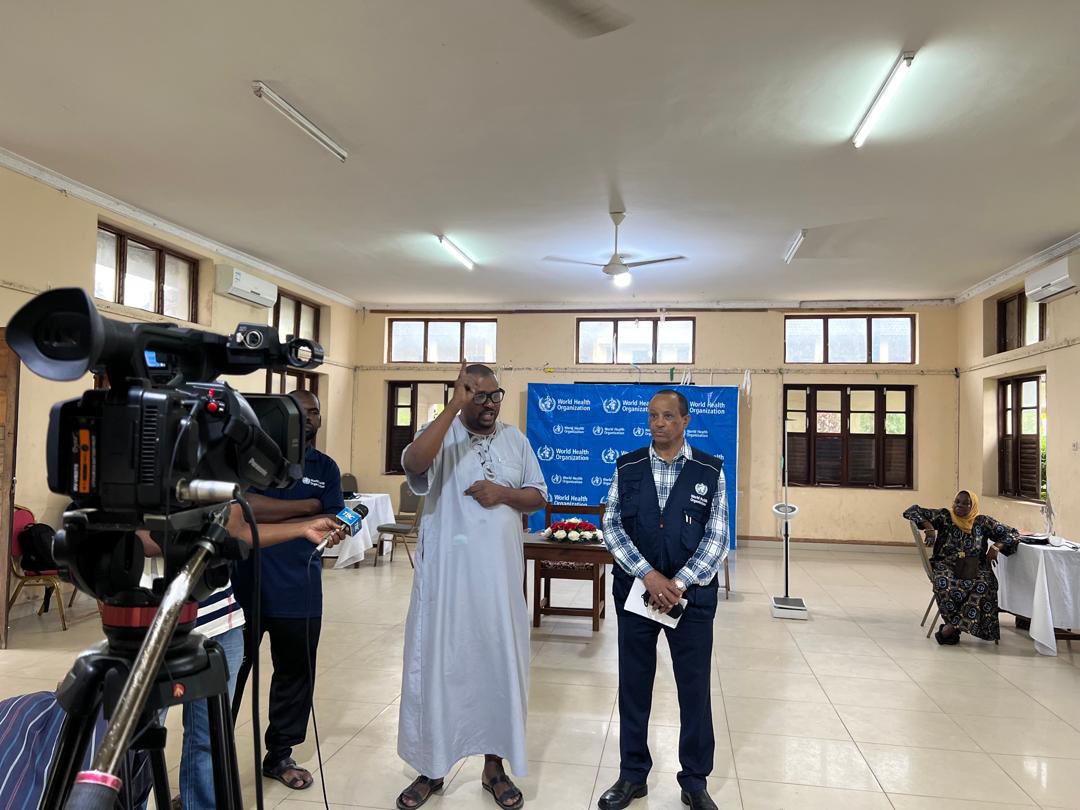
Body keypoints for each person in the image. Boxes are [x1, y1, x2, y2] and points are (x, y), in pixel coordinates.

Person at [395, 362, 547, 810]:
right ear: (461, 394)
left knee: (496, 671)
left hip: (498, 588)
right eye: (478, 395)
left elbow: (538, 496)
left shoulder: (515, 439)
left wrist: (503, 494)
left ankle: (494, 767)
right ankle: (431, 767)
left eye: (494, 395)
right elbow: (413, 463)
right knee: (439, 670)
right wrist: (451, 409)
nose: (488, 404)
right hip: (446, 586)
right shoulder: (441, 435)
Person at [138, 510, 345, 810]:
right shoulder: (132, 465)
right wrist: (214, 533)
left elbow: (239, 528)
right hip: (152, 622)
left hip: (222, 624)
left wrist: (303, 528)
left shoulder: (214, 464)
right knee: (139, 742)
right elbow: (139, 539)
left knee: (209, 738)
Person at [599, 389, 728, 810]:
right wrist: (649, 576)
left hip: (690, 600)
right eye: (653, 416)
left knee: (694, 689)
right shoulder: (628, 465)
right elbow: (612, 525)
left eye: (668, 416)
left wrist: (679, 584)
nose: (658, 423)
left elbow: (717, 536)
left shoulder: (710, 470)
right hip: (637, 593)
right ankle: (632, 775)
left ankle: (694, 781)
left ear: (685, 420)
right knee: (634, 685)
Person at [231, 389, 345, 792]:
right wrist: (308, 507)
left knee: (294, 676)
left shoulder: (324, 467)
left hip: (299, 589)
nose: (308, 417)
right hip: (242, 586)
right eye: (298, 411)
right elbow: (240, 508)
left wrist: (314, 509)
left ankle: (279, 754)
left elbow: (334, 513)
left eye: (314, 411)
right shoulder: (247, 461)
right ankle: (212, 759)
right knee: (229, 676)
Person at [904, 491, 1019, 645]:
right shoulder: (945, 517)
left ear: (973, 506)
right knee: (944, 583)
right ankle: (955, 627)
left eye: (966, 503)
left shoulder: (982, 522)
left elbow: (1013, 533)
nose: (959, 506)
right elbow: (912, 510)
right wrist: (929, 527)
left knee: (985, 584)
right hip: (946, 563)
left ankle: (951, 627)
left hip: (975, 566)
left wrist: (997, 546)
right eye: (957, 501)